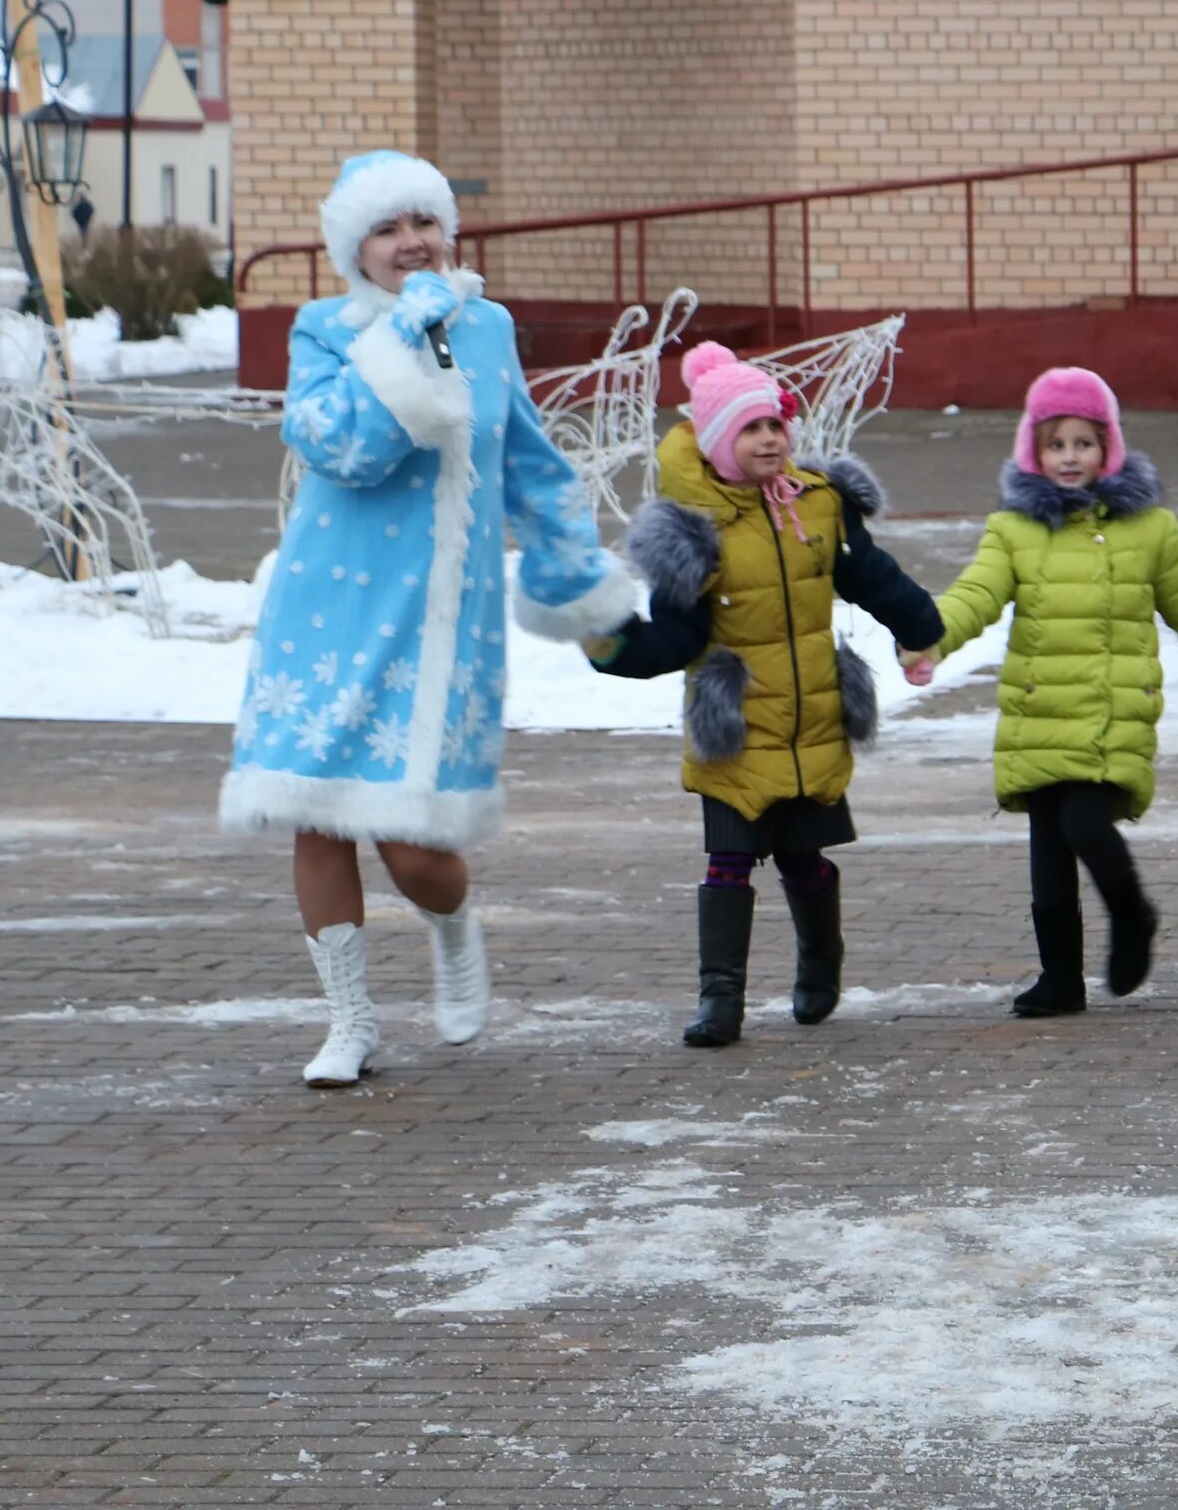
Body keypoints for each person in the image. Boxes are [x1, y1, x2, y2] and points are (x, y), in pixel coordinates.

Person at [219, 151, 637, 1087]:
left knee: (416, 848)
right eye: (387, 228)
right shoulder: (324, 331)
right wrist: (395, 343)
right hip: (326, 607)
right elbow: (339, 446)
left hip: (447, 611)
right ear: (354, 248)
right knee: (314, 816)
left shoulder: (485, 326)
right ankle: (349, 1021)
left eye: (423, 223)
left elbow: (526, 456)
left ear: (447, 232)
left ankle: (451, 930)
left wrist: (579, 578)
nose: (410, 243)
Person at [580, 342, 948, 1048]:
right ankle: (721, 997)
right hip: (737, 725)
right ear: (718, 442)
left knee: (804, 859)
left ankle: (820, 962)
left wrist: (919, 628)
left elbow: (869, 577)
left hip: (811, 714)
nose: (770, 438)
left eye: (777, 423)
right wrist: (611, 643)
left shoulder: (817, 504)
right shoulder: (694, 530)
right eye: (750, 428)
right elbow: (679, 637)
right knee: (728, 861)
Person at [904, 367, 1178, 1017]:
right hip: (1039, 710)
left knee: (1085, 822)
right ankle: (1060, 978)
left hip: (1110, 713)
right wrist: (930, 637)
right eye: (1055, 444)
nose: (1069, 457)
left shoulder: (1151, 530)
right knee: (1047, 848)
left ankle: (1131, 912)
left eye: (1083, 443)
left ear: (1108, 447)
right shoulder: (1014, 531)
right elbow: (976, 594)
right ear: (1033, 450)